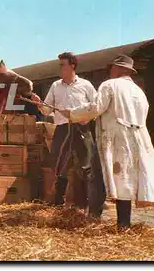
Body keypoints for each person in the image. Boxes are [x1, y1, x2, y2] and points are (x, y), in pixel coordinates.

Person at [59, 54, 154, 230]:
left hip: (114, 139)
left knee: (98, 176)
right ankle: (123, 224)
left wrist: (71, 114)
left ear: (119, 69)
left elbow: (96, 108)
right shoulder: (139, 91)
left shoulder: (109, 85)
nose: (110, 70)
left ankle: (93, 217)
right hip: (137, 139)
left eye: (113, 67)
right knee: (125, 180)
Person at [31, 52, 106, 219]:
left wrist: (84, 118)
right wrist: (39, 103)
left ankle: (88, 207)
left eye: (62, 64)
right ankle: (57, 204)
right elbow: (47, 110)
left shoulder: (86, 85)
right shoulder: (55, 86)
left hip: (82, 128)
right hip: (62, 129)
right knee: (59, 165)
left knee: (87, 166)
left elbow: (97, 106)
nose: (60, 68)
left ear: (72, 66)